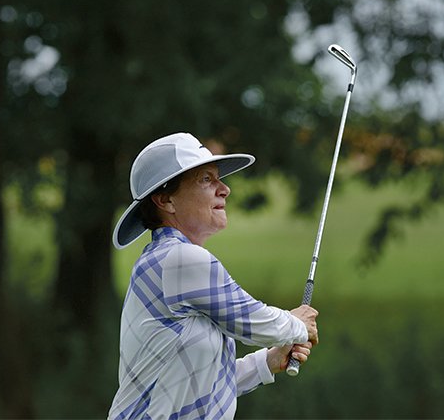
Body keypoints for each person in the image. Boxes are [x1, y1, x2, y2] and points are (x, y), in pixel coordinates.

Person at [108, 132, 319, 420]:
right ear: (166, 200)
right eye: (206, 179)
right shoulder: (179, 259)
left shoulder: (167, 261)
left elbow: (202, 387)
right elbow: (252, 320)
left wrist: (267, 362)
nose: (225, 189)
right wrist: (297, 325)